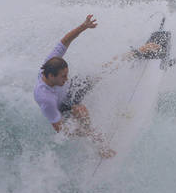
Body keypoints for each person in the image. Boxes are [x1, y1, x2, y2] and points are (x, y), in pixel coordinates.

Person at [33, 15, 160, 159]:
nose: (66, 78)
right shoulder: (46, 100)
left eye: (66, 74)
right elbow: (60, 130)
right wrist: (85, 131)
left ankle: (141, 51)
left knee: (102, 70)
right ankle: (101, 146)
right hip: (62, 106)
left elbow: (65, 41)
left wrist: (83, 26)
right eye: (63, 76)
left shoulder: (52, 63)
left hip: (70, 90)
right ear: (50, 76)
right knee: (81, 112)